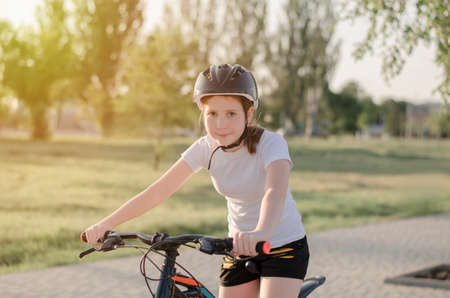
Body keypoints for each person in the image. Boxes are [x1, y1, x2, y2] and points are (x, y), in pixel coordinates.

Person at [82, 64, 309, 298]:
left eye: (231, 114)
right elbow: (158, 191)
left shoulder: (271, 144)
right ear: (202, 113)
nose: (221, 124)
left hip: (282, 246)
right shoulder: (205, 148)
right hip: (237, 250)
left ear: (248, 114)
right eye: (212, 114)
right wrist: (106, 224)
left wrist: (262, 231)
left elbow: (276, 191)